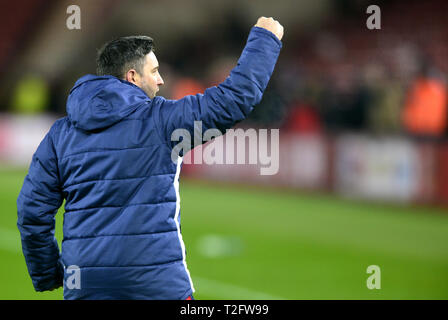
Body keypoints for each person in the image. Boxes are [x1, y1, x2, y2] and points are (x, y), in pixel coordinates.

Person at [16, 17, 283, 299]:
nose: (161, 79)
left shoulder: (61, 134)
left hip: (86, 285)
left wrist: (48, 273)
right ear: (132, 76)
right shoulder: (161, 120)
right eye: (154, 71)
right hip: (156, 286)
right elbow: (232, 101)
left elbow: (32, 211)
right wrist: (264, 40)